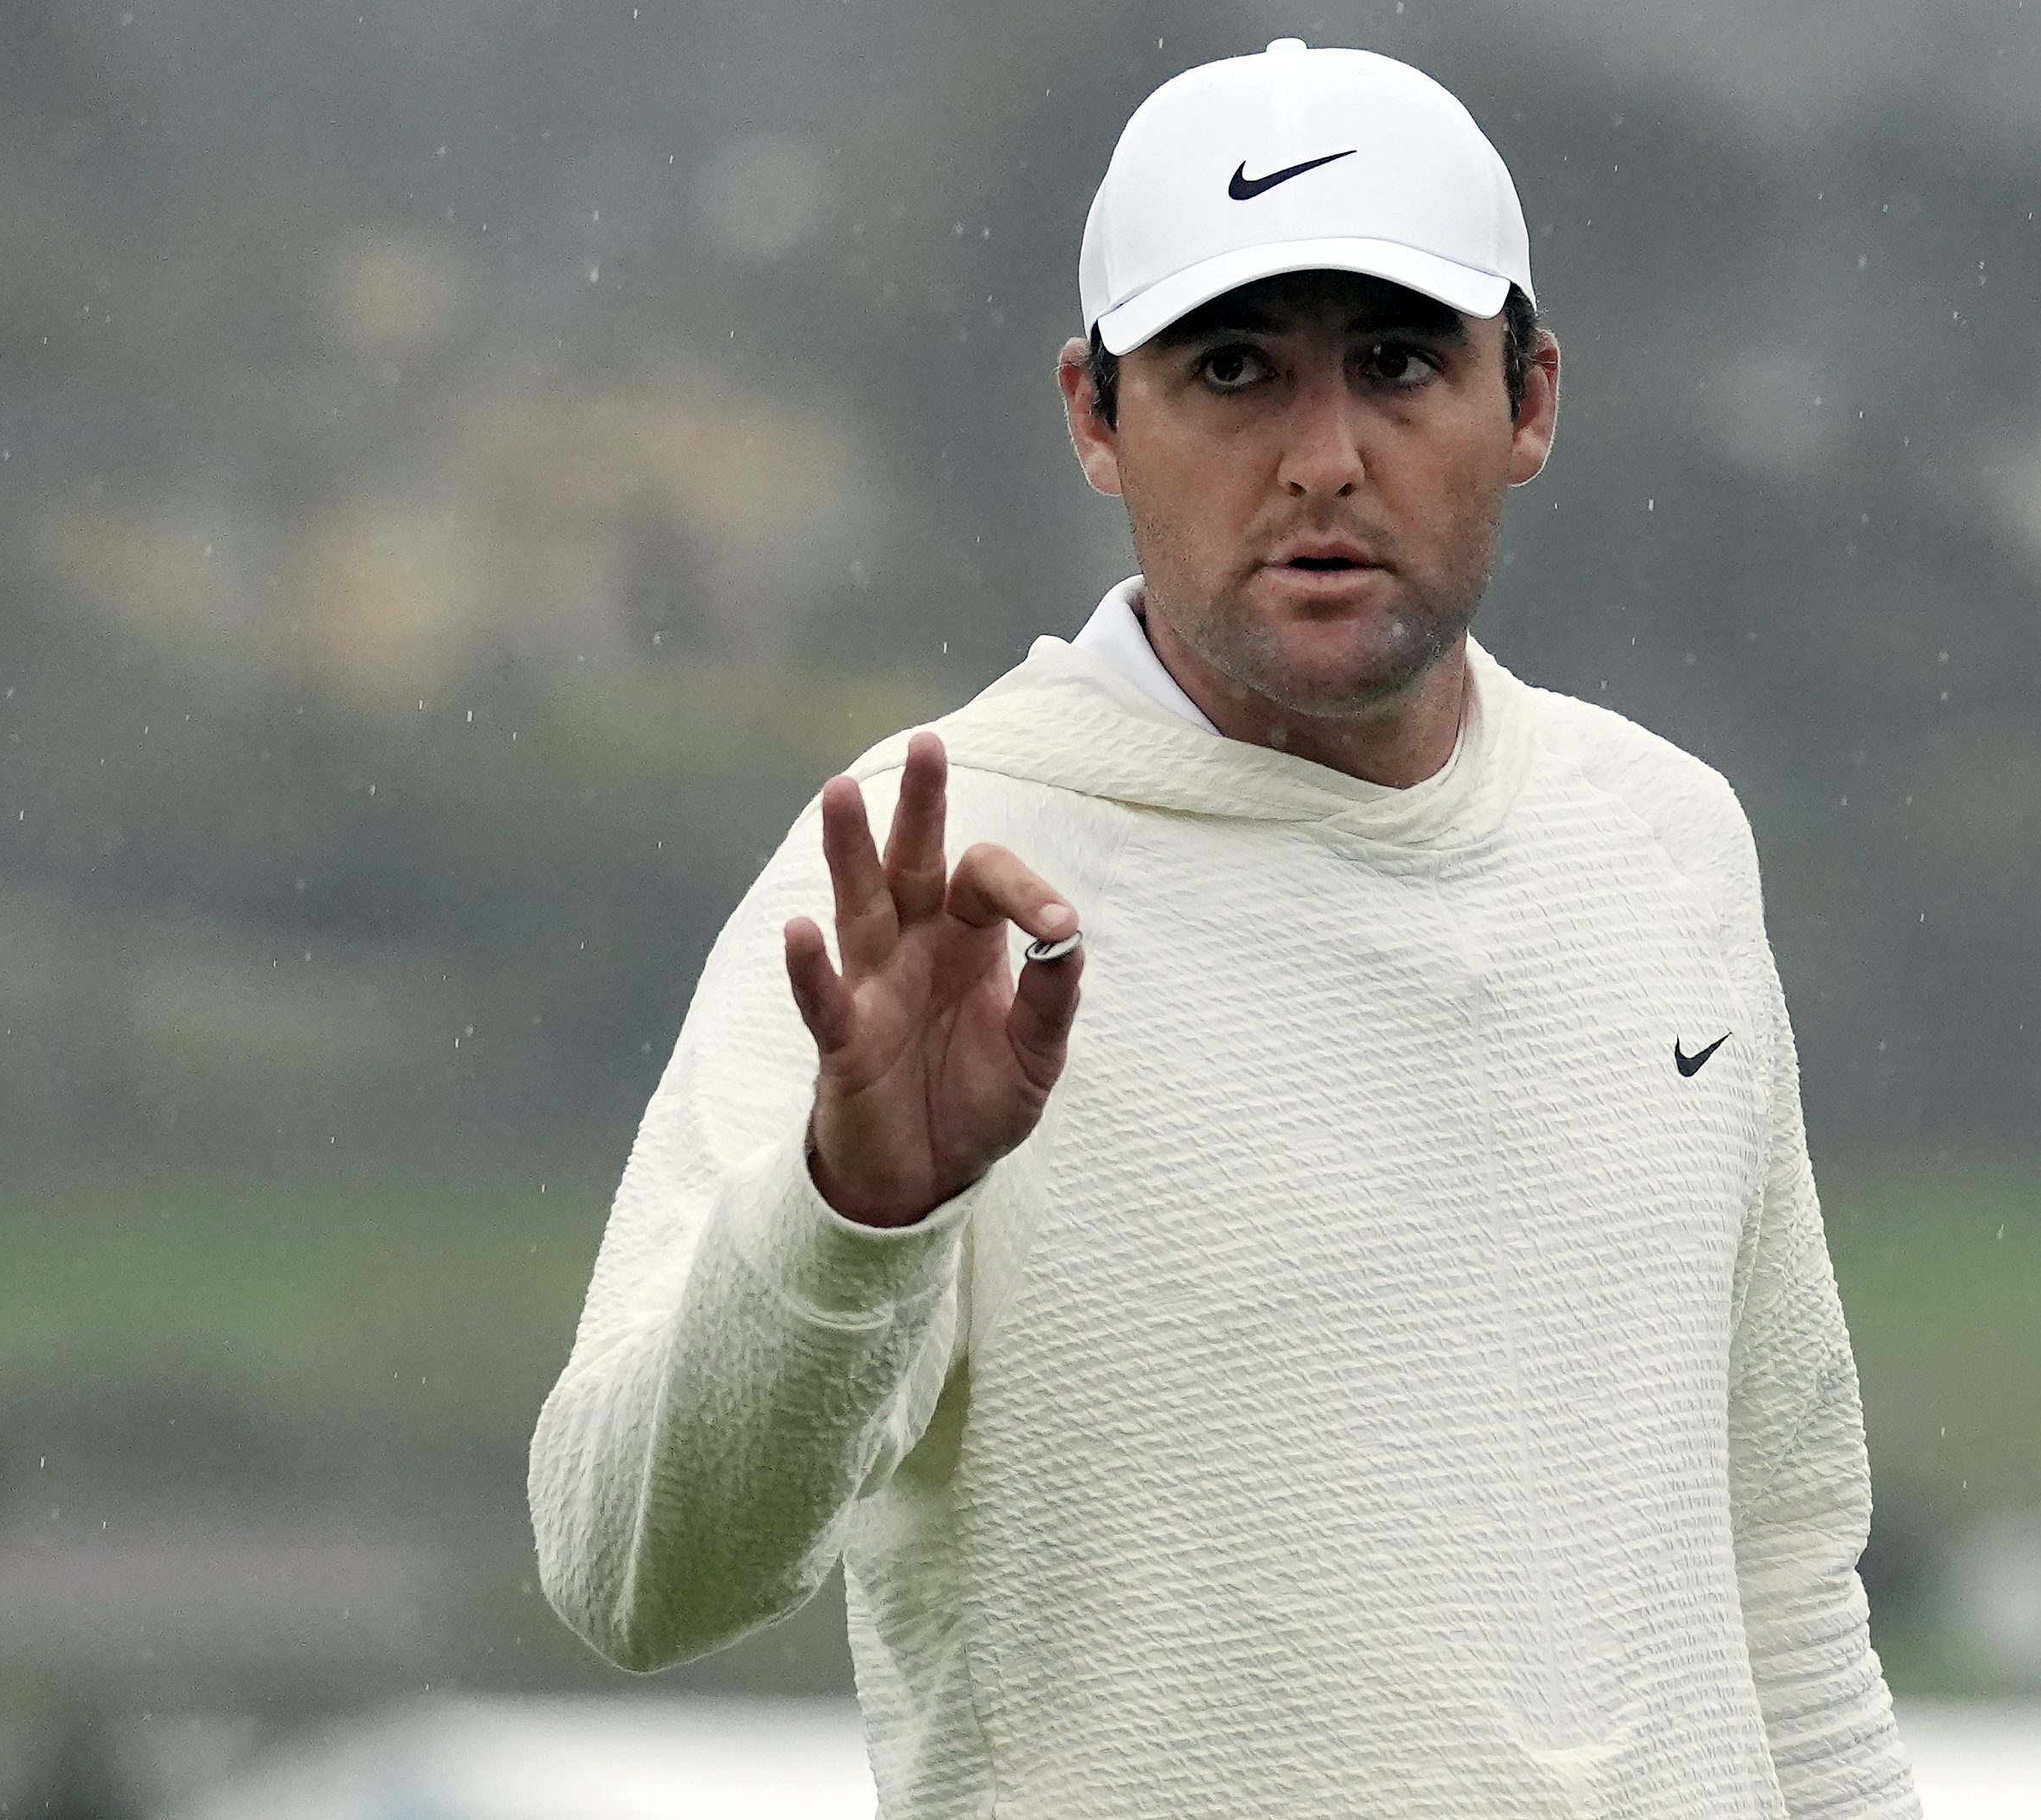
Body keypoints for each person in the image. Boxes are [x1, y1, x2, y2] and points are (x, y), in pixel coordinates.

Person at [531, 39, 1921, 1817]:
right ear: (1095, 416)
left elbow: (1779, 1577)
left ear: (1532, 395)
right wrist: (854, 1205)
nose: (1321, 457)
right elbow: (629, 1568)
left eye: (1398, 362)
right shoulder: (919, 874)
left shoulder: (1658, 838)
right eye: (1234, 369)